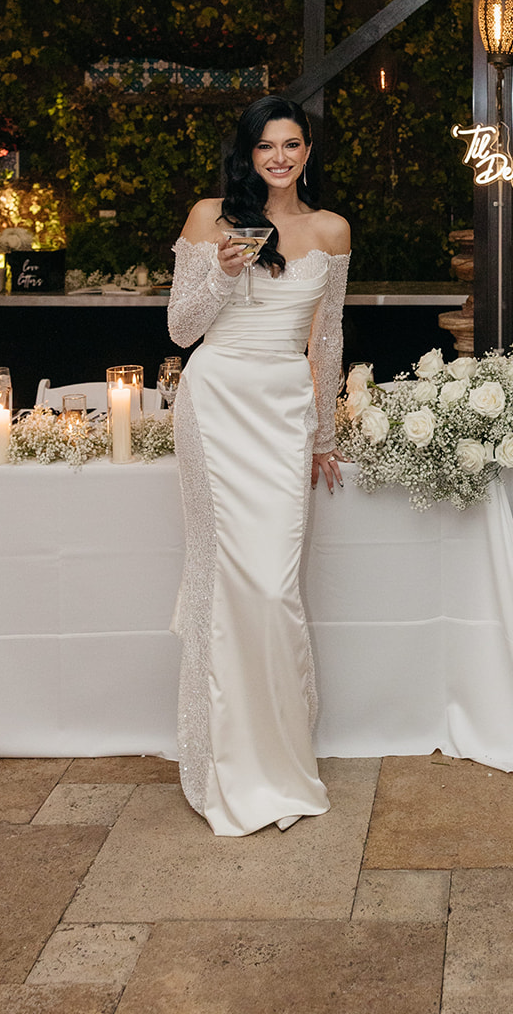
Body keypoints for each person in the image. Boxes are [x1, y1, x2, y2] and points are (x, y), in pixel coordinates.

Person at [167, 95, 351, 836]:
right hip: (214, 406)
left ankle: (278, 755)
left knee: (273, 587)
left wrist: (323, 434)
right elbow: (182, 330)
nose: (280, 156)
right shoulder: (210, 216)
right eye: (267, 145)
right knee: (224, 578)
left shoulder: (331, 229)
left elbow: (326, 340)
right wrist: (217, 270)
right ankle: (219, 761)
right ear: (248, 152)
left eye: (293, 144)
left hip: (280, 413)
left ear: (308, 153)